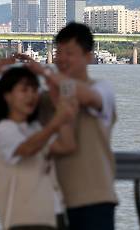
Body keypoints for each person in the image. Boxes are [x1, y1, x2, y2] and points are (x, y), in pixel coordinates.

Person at [26, 23, 118, 230]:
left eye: (69, 53)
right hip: (51, 204)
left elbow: (88, 97)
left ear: (88, 56)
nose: (61, 58)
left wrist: (47, 74)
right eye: (59, 52)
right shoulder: (47, 99)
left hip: (94, 201)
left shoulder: (102, 89)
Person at [0, 58, 78, 230]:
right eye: (24, 90)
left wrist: (61, 103)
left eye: (35, 89)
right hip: (25, 219)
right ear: (7, 96)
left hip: (53, 214)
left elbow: (67, 145)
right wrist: (56, 123)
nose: (31, 95)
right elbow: (26, 149)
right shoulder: (5, 131)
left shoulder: (35, 128)